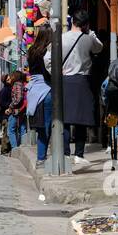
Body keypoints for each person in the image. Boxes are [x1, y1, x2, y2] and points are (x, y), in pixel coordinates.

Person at [46, 13, 104, 153]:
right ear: (85, 25)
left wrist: (55, 72)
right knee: (81, 121)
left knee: (65, 119)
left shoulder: (60, 38)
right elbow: (99, 48)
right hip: (83, 81)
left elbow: (47, 59)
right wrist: (91, 33)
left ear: (72, 21)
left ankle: (65, 153)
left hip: (64, 81)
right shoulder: (88, 39)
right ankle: (79, 153)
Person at [28, 25, 69, 163]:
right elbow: (48, 71)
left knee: (42, 127)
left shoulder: (32, 51)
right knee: (54, 125)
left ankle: (41, 157)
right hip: (47, 89)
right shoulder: (47, 52)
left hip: (34, 91)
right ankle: (60, 156)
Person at [4, 71, 27, 152]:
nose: (10, 77)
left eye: (12, 75)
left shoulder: (17, 84)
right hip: (21, 110)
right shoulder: (21, 84)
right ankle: (22, 146)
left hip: (16, 110)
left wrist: (10, 107)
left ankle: (15, 149)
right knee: (22, 128)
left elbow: (18, 98)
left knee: (11, 130)